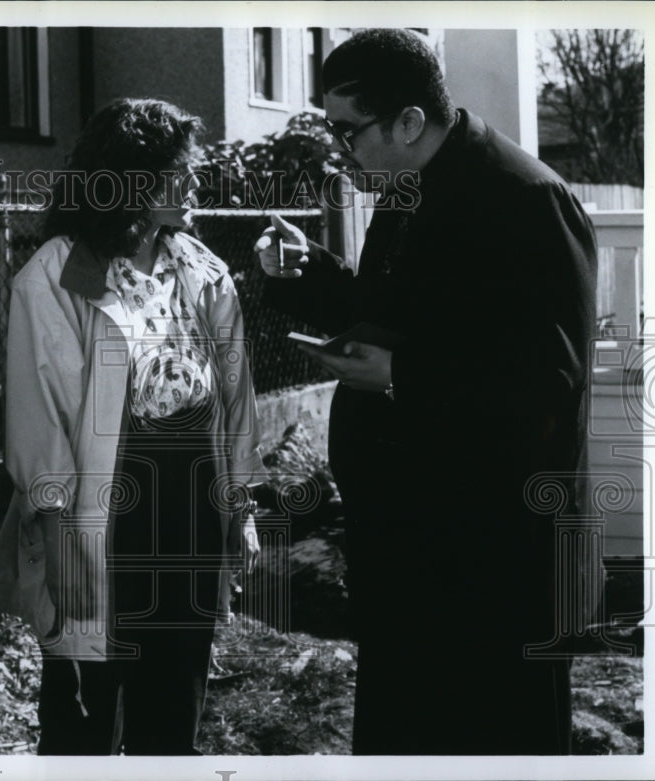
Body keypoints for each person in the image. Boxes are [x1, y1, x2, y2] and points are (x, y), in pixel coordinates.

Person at [257, 28, 600, 755]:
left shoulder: (530, 198)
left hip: (498, 566)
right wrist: (307, 277)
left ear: (409, 122)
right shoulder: (408, 189)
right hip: (412, 553)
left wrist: (402, 376)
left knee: (495, 746)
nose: (340, 152)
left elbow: (549, 382)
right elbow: (395, 317)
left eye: (349, 132)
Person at [0, 98, 265, 755]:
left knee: (175, 704)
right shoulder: (53, 274)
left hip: (189, 503)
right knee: (84, 713)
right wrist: (58, 546)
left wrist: (241, 507)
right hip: (99, 516)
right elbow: (37, 423)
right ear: (132, 178)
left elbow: (234, 396)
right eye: (180, 171)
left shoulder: (202, 267)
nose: (197, 184)